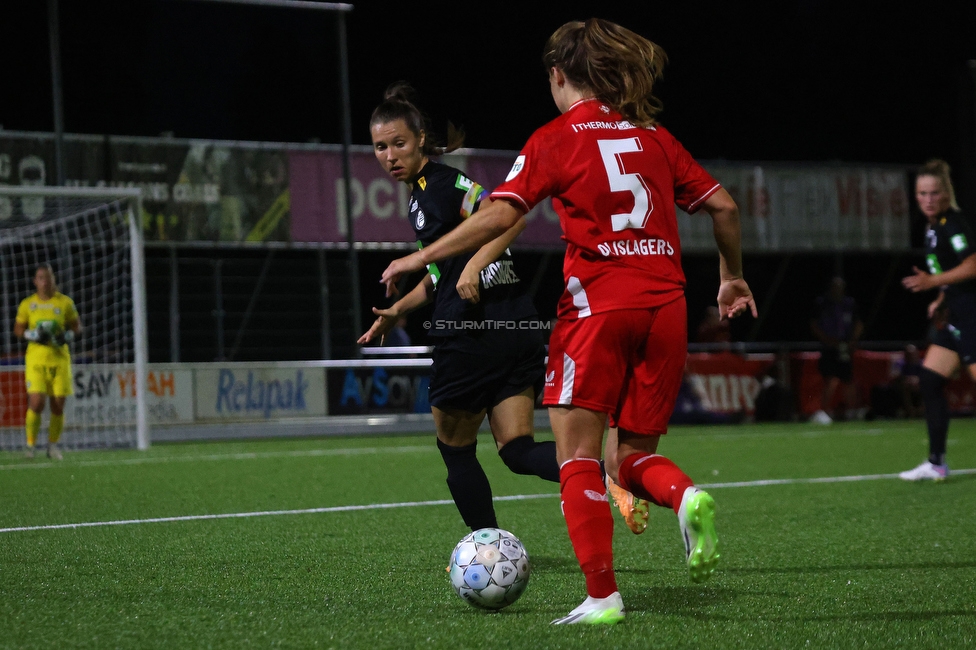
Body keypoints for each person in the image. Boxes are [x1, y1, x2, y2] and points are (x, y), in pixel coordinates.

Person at [378, 20, 756, 625]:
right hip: (669, 307)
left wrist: (421, 256)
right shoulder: (652, 134)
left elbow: (502, 210)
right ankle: (686, 495)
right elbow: (724, 206)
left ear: (558, 76)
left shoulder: (558, 136)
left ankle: (602, 596)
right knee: (626, 457)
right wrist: (731, 276)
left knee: (578, 456)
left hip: (599, 307)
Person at [358, 83, 566, 533]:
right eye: (380, 146)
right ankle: (604, 475)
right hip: (516, 327)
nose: (390, 155)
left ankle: (486, 549)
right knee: (516, 449)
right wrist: (400, 311)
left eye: (399, 143)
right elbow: (441, 275)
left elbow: (513, 219)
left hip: (473, 333)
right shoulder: (431, 190)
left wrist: (473, 264)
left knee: (455, 449)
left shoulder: (437, 188)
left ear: (420, 140)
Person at [899, 159, 976, 481]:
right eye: (922, 193)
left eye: (934, 193)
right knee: (930, 380)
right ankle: (936, 462)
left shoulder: (952, 224)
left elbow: (972, 265)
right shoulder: (932, 227)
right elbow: (953, 276)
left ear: (946, 193)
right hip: (955, 311)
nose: (928, 199)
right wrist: (941, 297)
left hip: (972, 313)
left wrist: (933, 283)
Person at [13, 263, 82, 460]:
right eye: (41, 277)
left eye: (48, 277)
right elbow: (17, 329)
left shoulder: (65, 303)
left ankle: (52, 446)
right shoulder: (28, 304)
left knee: (58, 404)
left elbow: (77, 327)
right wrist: (32, 334)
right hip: (36, 360)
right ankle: (30, 446)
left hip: (60, 360)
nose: (45, 281)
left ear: (53, 279)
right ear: (35, 282)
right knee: (36, 402)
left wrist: (66, 335)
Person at [809, 277, 863, 424]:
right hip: (829, 347)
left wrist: (853, 341)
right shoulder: (822, 304)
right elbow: (814, 324)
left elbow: (858, 323)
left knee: (848, 379)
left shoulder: (849, 304)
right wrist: (827, 339)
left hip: (845, 345)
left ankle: (851, 411)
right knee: (830, 379)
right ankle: (825, 411)